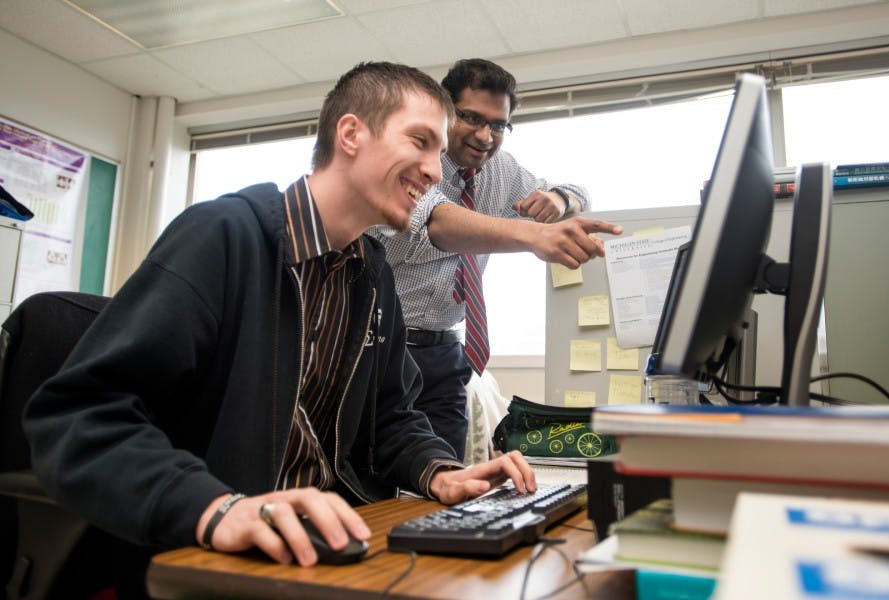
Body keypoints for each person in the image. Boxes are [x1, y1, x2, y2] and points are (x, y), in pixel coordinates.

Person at [23, 62, 535, 598]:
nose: (434, 170)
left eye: (438, 152)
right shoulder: (222, 236)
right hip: (217, 555)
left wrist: (439, 472)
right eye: (420, 141)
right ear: (352, 133)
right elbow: (79, 414)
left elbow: (391, 418)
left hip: (327, 547)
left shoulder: (372, 272)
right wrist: (218, 508)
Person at [372, 59, 622, 461]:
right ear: (444, 112)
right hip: (385, 349)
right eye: (471, 118)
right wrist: (534, 235)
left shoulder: (500, 171)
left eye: (499, 124)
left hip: (445, 353)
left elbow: (578, 190)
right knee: (387, 474)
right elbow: (436, 224)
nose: (485, 135)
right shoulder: (414, 164)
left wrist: (560, 198)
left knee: (447, 474)